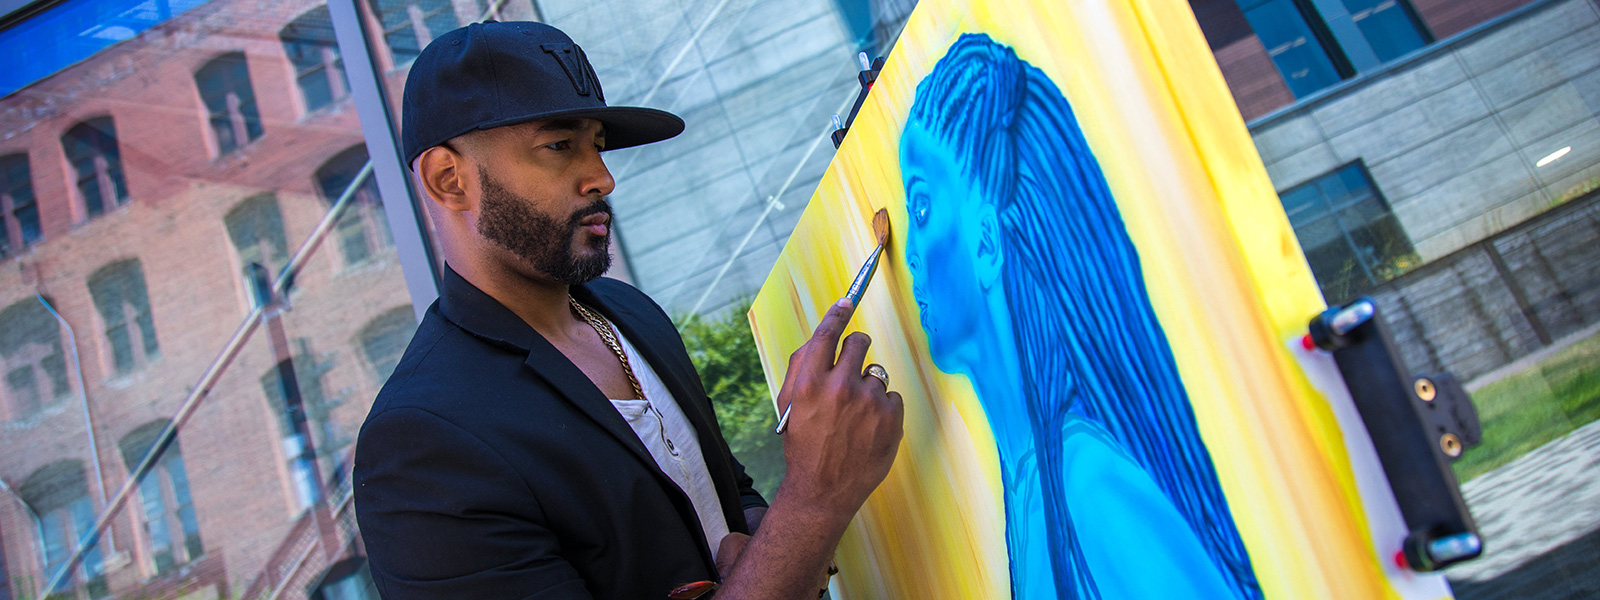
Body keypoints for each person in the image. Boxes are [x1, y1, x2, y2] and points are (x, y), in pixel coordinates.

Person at [352, 20, 904, 600]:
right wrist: (814, 497)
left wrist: (777, 536)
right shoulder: (421, 447)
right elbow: (798, 513)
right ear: (449, 179)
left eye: (598, 145)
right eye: (560, 146)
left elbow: (724, 499)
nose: (603, 177)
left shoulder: (628, 313)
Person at [898, 34, 1262, 599]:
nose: (911, 254)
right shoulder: (1030, 487)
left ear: (988, 241)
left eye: (920, 208)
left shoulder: (1091, 488)